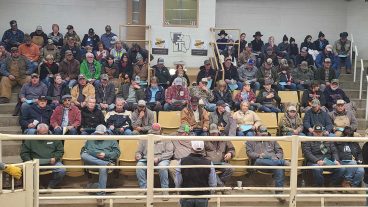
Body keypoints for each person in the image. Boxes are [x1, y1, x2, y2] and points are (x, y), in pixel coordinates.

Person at [246, 126, 289, 203]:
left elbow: (279, 151)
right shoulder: (250, 141)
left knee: (279, 168)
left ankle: (279, 193)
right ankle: (282, 162)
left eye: (265, 134)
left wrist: (277, 157)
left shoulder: (272, 140)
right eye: (262, 135)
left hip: (273, 162)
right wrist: (258, 155)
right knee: (260, 160)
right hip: (259, 163)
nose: (264, 136)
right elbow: (249, 153)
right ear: (257, 133)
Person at [20, 123, 65, 188]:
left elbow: (60, 150)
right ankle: (37, 185)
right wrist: (29, 161)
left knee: (62, 169)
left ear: (48, 131)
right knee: (27, 168)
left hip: (51, 162)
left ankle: (51, 185)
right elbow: (24, 153)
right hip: (34, 162)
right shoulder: (30, 139)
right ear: (37, 132)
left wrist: (55, 158)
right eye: (40, 134)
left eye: (45, 134)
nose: (43, 136)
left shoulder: (54, 138)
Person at [136, 123, 173, 199]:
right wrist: (138, 155)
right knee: (139, 166)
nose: (154, 134)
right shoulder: (145, 138)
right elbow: (139, 151)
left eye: (156, 133)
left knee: (162, 167)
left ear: (160, 131)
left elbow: (170, 153)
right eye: (153, 132)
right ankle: (143, 190)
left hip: (162, 159)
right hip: (147, 158)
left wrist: (158, 158)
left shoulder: (166, 138)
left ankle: (165, 191)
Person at [81, 124, 120, 196]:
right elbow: (83, 151)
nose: (98, 135)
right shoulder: (90, 138)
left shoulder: (112, 139)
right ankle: (104, 165)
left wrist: (106, 154)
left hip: (106, 159)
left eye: (100, 134)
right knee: (83, 155)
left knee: (103, 168)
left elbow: (117, 153)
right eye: (97, 133)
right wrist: (94, 154)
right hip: (92, 162)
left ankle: (100, 195)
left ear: (105, 133)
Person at [176, 140, 217, 207]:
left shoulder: (182, 161)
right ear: (203, 149)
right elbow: (213, 183)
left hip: (187, 195)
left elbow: (178, 182)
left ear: (191, 148)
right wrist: (209, 195)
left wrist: (180, 193)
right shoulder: (209, 163)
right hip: (203, 196)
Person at [205, 124, 235, 188]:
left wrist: (230, 153)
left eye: (215, 133)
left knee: (231, 168)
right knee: (209, 169)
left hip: (221, 162)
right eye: (212, 133)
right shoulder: (204, 140)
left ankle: (219, 185)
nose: (213, 135)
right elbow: (201, 153)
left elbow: (232, 149)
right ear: (209, 133)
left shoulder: (224, 139)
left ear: (218, 131)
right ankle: (221, 187)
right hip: (209, 163)